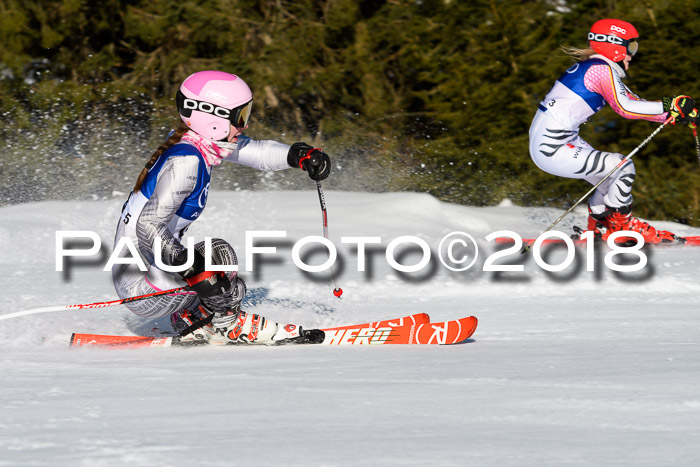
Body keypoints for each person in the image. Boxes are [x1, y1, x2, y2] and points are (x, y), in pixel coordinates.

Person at [111, 70, 330, 344]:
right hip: (141, 285)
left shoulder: (196, 144)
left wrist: (298, 155)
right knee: (218, 259)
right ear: (212, 117)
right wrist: (189, 267)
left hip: (150, 273)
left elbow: (258, 152)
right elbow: (147, 225)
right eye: (240, 116)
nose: (245, 125)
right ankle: (226, 323)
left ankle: (195, 318)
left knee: (220, 263)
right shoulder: (186, 162)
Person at [529, 18, 697, 243]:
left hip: (557, 141)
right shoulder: (600, 69)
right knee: (622, 166)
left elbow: (633, 101)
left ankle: (600, 227)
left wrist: (673, 115)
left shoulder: (598, 68)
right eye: (631, 47)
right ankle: (622, 227)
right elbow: (626, 108)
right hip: (552, 147)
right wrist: (670, 105)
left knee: (608, 181)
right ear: (615, 45)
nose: (632, 55)